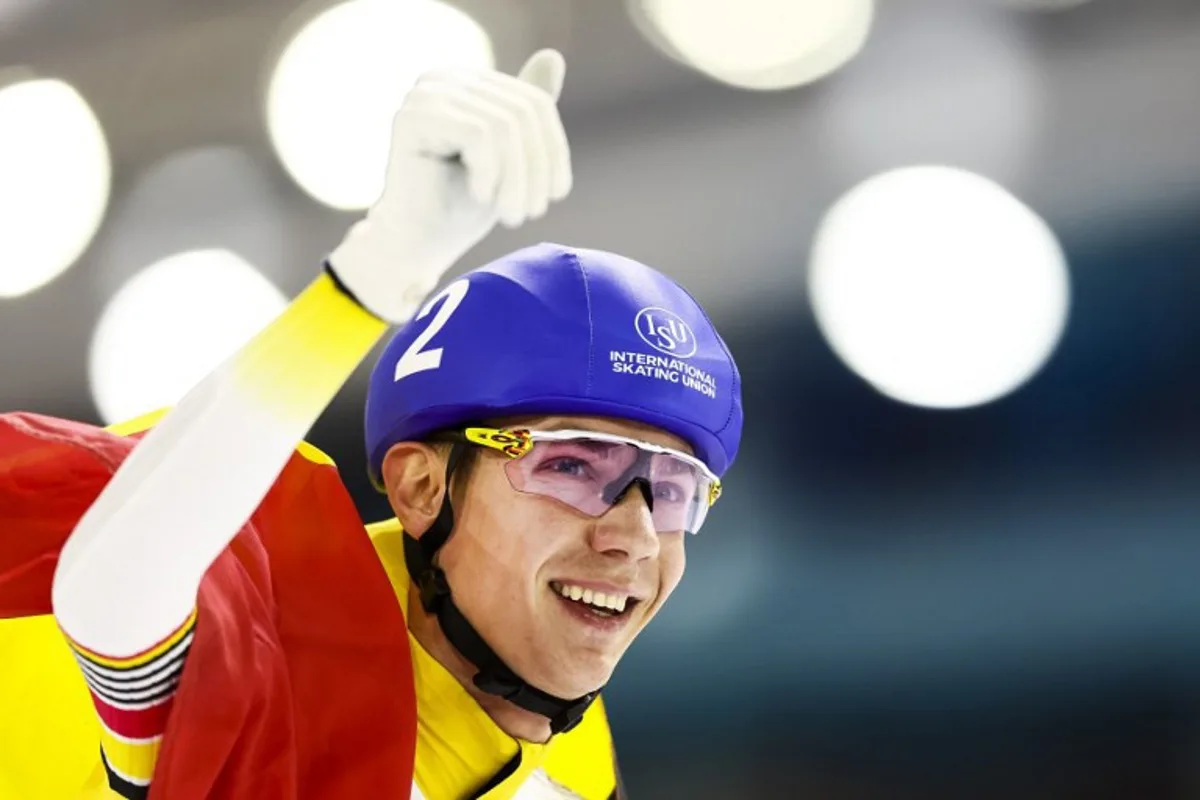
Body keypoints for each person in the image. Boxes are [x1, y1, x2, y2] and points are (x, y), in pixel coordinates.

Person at [0, 49, 742, 800]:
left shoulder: (572, 765)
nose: (635, 537)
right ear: (422, 487)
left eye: (674, 490)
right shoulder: (280, 656)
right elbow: (113, 584)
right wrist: (376, 270)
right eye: (574, 466)